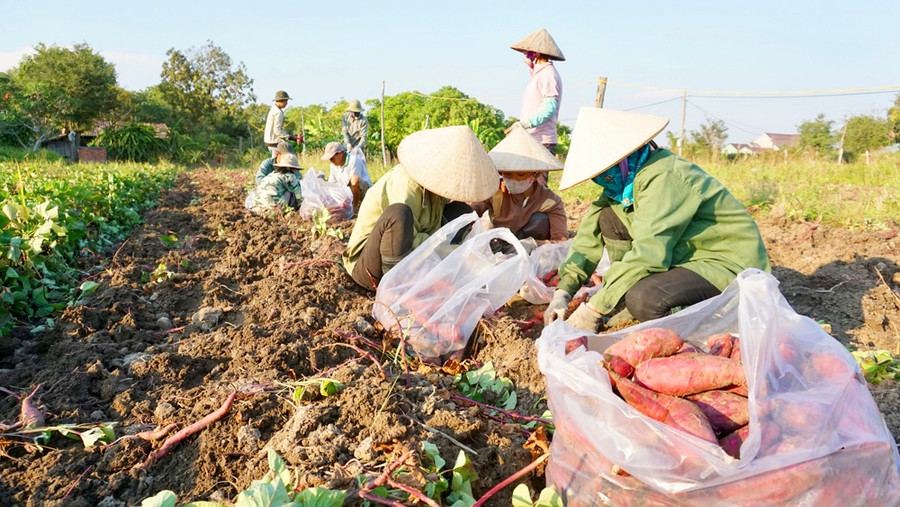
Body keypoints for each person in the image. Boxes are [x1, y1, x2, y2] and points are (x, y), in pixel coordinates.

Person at [544, 107, 771, 332]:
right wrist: (563, 292)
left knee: (644, 299)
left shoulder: (662, 175)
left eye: (605, 170)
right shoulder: (624, 185)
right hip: (684, 259)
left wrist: (594, 309)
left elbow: (649, 253)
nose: (602, 178)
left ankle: (713, 321)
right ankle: (625, 293)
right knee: (609, 217)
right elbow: (586, 240)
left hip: (726, 265)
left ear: (623, 158)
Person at [343, 125, 500, 291]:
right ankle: (395, 289)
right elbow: (408, 237)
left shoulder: (437, 189)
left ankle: (435, 274)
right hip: (372, 267)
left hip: (414, 257)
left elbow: (432, 233)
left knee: (462, 212)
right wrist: (454, 251)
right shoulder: (405, 184)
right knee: (399, 214)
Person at [470, 125, 568, 245]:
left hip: (531, 247)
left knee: (540, 220)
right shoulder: (494, 190)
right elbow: (472, 212)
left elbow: (561, 241)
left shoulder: (550, 200)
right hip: (500, 242)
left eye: (521, 174)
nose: (513, 179)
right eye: (508, 174)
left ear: (536, 174)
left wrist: (533, 244)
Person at [509, 28, 564, 187]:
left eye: (527, 53)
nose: (525, 56)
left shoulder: (548, 74)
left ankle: (545, 212)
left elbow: (549, 107)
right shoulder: (540, 74)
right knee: (527, 185)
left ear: (536, 54)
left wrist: (526, 123)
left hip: (541, 140)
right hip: (532, 138)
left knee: (538, 188)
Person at [321, 141, 372, 211]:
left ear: (340, 153)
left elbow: (355, 182)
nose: (331, 161)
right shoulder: (333, 166)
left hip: (364, 192)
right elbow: (332, 184)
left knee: (354, 179)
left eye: (332, 158)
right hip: (347, 192)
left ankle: (355, 206)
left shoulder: (353, 160)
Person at [265, 90, 301, 156]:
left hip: (270, 141)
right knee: (281, 161)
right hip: (274, 142)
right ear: (281, 100)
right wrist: (291, 137)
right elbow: (277, 130)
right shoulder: (278, 112)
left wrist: (291, 136)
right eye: (286, 101)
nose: (287, 103)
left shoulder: (273, 109)